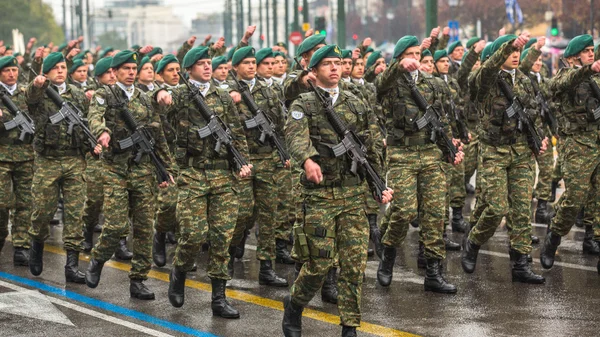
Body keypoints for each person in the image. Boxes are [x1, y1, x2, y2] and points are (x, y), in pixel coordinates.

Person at [281, 44, 393, 337]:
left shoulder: (356, 103)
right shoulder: (303, 104)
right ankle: (294, 303)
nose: (334, 67)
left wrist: (379, 184)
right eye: (327, 63)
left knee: (354, 266)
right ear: (314, 70)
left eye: (338, 62)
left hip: (353, 196)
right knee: (318, 265)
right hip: (318, 197)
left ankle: (350, 326)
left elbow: (371, 146)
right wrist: (306, 160)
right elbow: (295, 137)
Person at [164, 46, 252, 315]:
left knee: (221, 238)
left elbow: (236, 132)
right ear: (188, 69)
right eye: (200, 63)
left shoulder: (223, 97)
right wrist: (161, 97)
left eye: (208, 63)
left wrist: (243, 161)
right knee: (192, 234)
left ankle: (219, 297)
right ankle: (179, 271)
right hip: (192, 174)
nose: (206, 67)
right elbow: (159, 109)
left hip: (223, 175)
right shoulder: (178, 95)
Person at [85, 50, 175, 300]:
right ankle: (98, 259)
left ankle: (138, 279)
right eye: (124, 69)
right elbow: (94, 116)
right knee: (115, 225)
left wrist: (167, 167)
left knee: (145, 227)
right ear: (114, 72)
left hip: (143, 170)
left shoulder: (145, 99)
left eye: (133, 69)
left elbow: (158, 135)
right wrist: (102, 132)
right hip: (115, 169)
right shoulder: (105, 94)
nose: (130, 73)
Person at [376, 34, 463, 293]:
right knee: (403, 211)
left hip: (430, 154)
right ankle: (388, 255)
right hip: (402, 155)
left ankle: (434, 273)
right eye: (409, 55)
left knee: (435, 214)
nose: (415, 60)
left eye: (418, 55)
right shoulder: (391, 84)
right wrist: (397, 67)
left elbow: (441, 120)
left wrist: (450, 148)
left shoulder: (433, 84)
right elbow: (380, 84)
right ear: (400, 58)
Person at [462, 33, 548, 284]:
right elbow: (486, 70)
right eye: (509, 51)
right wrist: (506, 46)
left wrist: (538, 138)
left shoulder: (523, 79)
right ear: (499, 53)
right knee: (497, 207)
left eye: (516, 51)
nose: (514, 55)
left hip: (520, 151)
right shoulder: (485, 80)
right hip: (494, 151)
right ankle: (474, 242)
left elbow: (533, 114)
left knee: (522, 208)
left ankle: (521, 263)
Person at [26, 52, 96, 283]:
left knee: (75, 214)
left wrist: (93, 143)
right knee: (43, 211)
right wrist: (37, 83)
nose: (60, 71)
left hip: (75, 160)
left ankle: (72, 265)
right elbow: (31, 97)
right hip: (48, 161)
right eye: (54, 68)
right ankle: (36, 246)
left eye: (63, 67)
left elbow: (88, 120)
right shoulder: (41, 91)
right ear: (46, 72)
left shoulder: (77, 93)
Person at [228, 46, 289, 287]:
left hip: (268, 159)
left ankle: (266, 266)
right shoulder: (227, 93)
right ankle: (229, 254)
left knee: (269, 215)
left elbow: (281, 125)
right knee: (242, 212)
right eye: (246, 63)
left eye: (254, 62)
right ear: (236, 68)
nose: (252, 66)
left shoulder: (269, 91)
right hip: (242, 160)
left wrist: (284, 151)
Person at [541, 35, 600, 271]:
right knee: (575, 196)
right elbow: (563, 83)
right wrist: (588, 70)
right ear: (574, 56)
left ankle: (594, 240)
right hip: (575, 145)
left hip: (597, 141)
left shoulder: (596, 78)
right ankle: (554, 236)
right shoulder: (564, 77)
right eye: (586, 51)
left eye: (591, 50)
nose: (591, 53)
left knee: (597, 198)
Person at [0, 55, 33, 266]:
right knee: (2, 204)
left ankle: (21, 246)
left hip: (25, 157)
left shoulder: (25, 94)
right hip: (1, 157)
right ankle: (1, 235)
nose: (12, 74)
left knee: (25, 203)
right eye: (7, 71)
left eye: (14, 70)